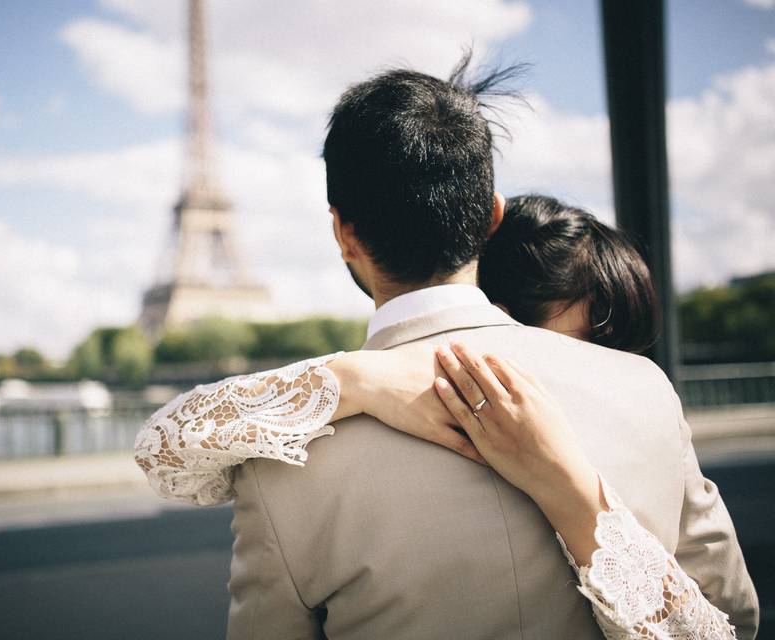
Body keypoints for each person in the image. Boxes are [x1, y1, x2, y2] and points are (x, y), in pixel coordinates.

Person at [134, 61, 759, 639]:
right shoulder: (643, 388)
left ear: (343, 234)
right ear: (492, 215)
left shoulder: (278, 469)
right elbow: (731, 615)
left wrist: (349, 382)